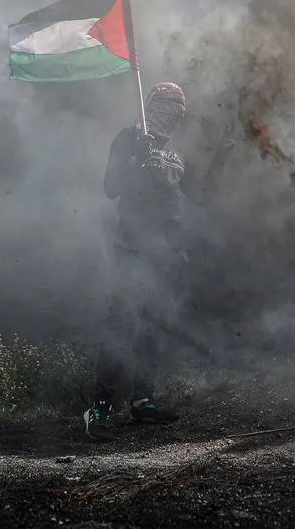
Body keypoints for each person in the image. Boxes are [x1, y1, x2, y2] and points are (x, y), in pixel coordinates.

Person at [83, 81, 233, 442]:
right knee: (121, 324)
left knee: (154, 324)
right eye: (169, 106)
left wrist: (221, 158)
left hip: (169, 253)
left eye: (179, 110)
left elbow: (202, 195)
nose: (174, 115)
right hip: (134, 249)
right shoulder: (128, 138)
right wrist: (135, 156)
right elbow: (110, 187)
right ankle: (99, 408)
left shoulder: (175, 154)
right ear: (152, 105)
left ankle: (143, 400)